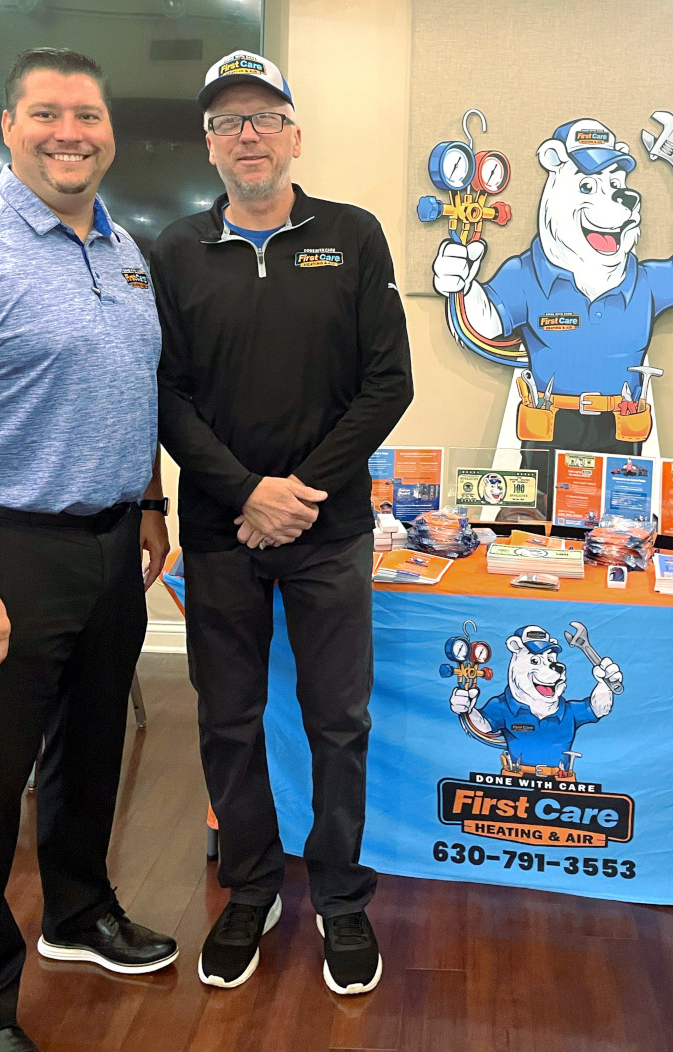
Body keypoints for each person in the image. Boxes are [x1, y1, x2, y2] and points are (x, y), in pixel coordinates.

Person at [150, 50, 412, 996]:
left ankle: (341, 897)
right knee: (228, 718)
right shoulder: (175, 250)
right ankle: (250, 888)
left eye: (263, 116)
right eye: (227, 121)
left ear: (295, 135)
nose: (247, 134)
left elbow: (388, 384)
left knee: (338, 721)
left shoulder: (353, 235)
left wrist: (297, 492)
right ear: (209, 146)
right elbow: (167, 394)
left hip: (328, 532)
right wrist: (245, 494)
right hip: (222, 533)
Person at [0, 49, 177, 1052]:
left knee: (90, 753)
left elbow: (132, 384)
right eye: (46, 113)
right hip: (0, 547)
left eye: (87, 115)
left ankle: (79, 913)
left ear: (110, 133)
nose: (69, 133)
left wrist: (151, 501)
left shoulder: (126, 250)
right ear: (9, 127)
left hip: (110, 544)